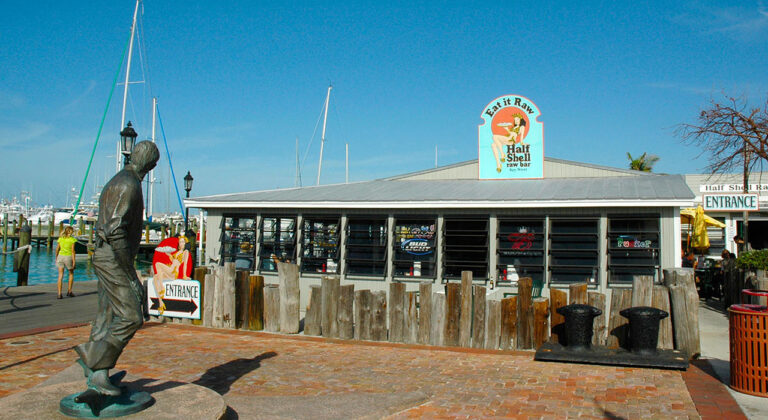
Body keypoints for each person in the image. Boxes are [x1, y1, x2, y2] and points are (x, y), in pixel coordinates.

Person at [74, 140, 159, 396]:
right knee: (131, 316)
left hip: (105, 254)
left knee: (107, 314)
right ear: (151, 164)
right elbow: (115, 230)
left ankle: (98, 374)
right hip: (113, 257)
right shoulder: (128, 184)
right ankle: (96, 360)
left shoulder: (120, 179)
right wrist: (130, 273)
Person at [153, 236, 191, 314]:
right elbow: (173, 260)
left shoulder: (185, 252)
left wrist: (184, 275)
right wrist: (168, 254)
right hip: (170, 270)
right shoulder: (177, 252)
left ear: (186, 243)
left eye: (183, 242)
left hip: (173, 272)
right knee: (155, 277)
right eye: (180, 242)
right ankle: (161, 303)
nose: (181, 244)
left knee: (157, 264)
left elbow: (185, 264)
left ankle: (161, 288)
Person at [55, 225, 77, 299]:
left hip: (60, 257)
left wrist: (56, 257)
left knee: (60, 275)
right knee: (71, 273)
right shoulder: (72, 240)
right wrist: (74, 261)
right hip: (68, 257)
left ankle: (59, 293)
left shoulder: (61, 239)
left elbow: (57, 249)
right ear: (71, 232)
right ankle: (69, 291)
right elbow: (73, 251)